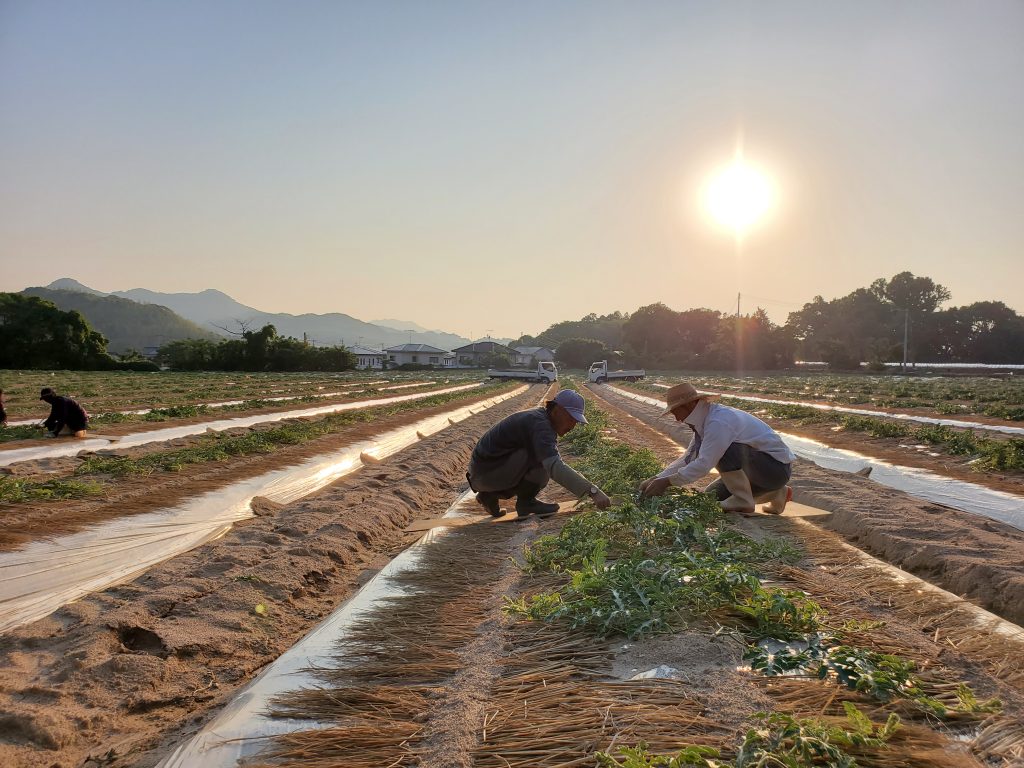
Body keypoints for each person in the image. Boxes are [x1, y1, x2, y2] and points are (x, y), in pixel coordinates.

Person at [639, 382, 794, 514]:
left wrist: (667, 482)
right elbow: (689, 457)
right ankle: (777, 493)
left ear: (689, 405)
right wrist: (657, 478)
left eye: (676, 412)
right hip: (763, 472)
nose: (677, 419)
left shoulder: (718, 422)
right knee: (712, 496)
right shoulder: (704, 422)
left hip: (775, 469)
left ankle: (743, 500)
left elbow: (704, 464)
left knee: (726, 450)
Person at [467, 389, 612, 519]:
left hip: (485, 473)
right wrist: (593, 492)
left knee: (542, 455)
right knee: (544, 460)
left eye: (576, 421)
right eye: (571, 419)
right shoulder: (540, 425)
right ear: (557, 410)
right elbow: (554, 466)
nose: (573, 426)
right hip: (485, 474)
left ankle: (489, 495)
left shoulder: (540, 419)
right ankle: (526, 502)